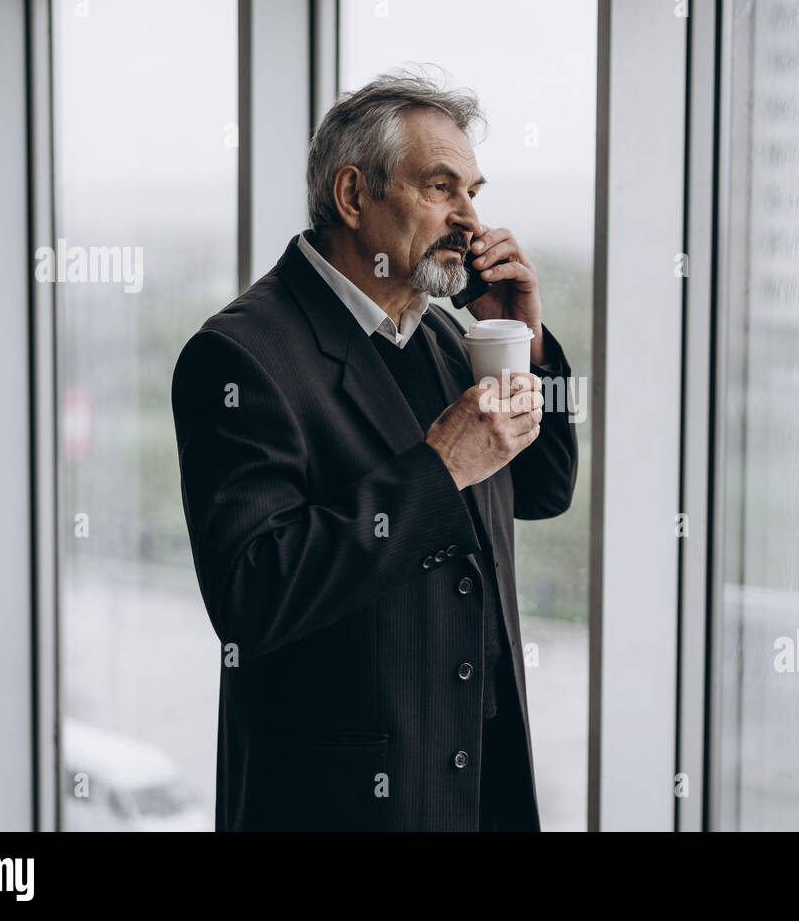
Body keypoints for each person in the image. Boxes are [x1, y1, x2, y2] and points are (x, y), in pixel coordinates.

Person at [171, 70, 578, 831]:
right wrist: (439, 467)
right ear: (354, 196)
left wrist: (528, 338)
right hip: (340, 806)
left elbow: (547, 488)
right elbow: (252, 596)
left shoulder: (448, 338)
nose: (471, 219)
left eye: (474, 192)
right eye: (441, 188)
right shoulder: (238, 356)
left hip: (481, 787)